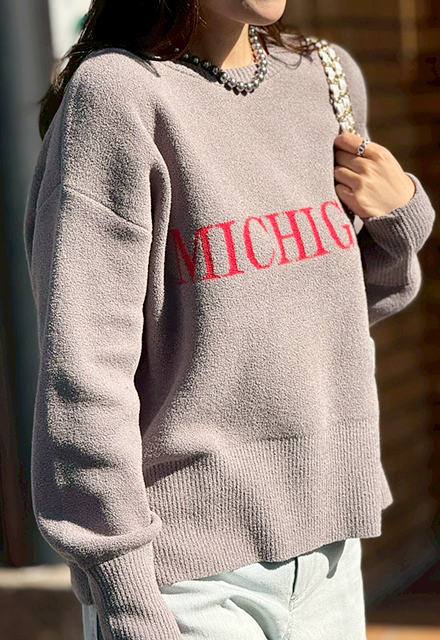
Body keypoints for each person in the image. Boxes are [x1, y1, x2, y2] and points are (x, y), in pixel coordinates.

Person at [23, 0, 436, 639]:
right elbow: (82, 375)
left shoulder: (324, 77)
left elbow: (334, 314)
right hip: (186, 581)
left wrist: (402, 216)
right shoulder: (118, 96)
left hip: (330, 559)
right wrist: (127, 597)